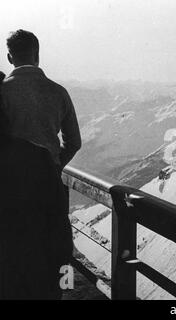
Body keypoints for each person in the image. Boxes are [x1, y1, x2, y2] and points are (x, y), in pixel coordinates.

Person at [0, 29, 82, 299]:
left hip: (9, 189)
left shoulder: (2, 92)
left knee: (14, 257)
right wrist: (55, 164)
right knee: (55, 251)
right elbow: (74, 142)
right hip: (48, 186)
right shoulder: (58, 92)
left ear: (10, 57)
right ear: (37, 54)